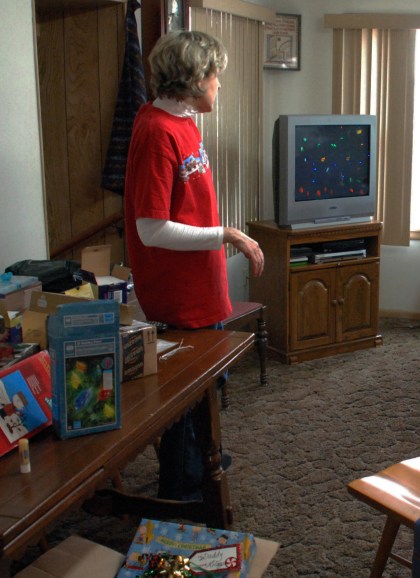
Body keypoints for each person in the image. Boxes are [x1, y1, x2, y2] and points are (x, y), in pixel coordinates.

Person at [124, 30, 264, 501]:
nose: (220, 83)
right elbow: (151, 228)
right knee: (186, 397)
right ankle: (180, 492)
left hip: (202, 283)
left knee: (208, 383)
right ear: (194, 79)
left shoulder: (184, 121)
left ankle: (196, 464)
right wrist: (226, 234)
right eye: (215, 74)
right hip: (178, 293)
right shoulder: (155, 131)